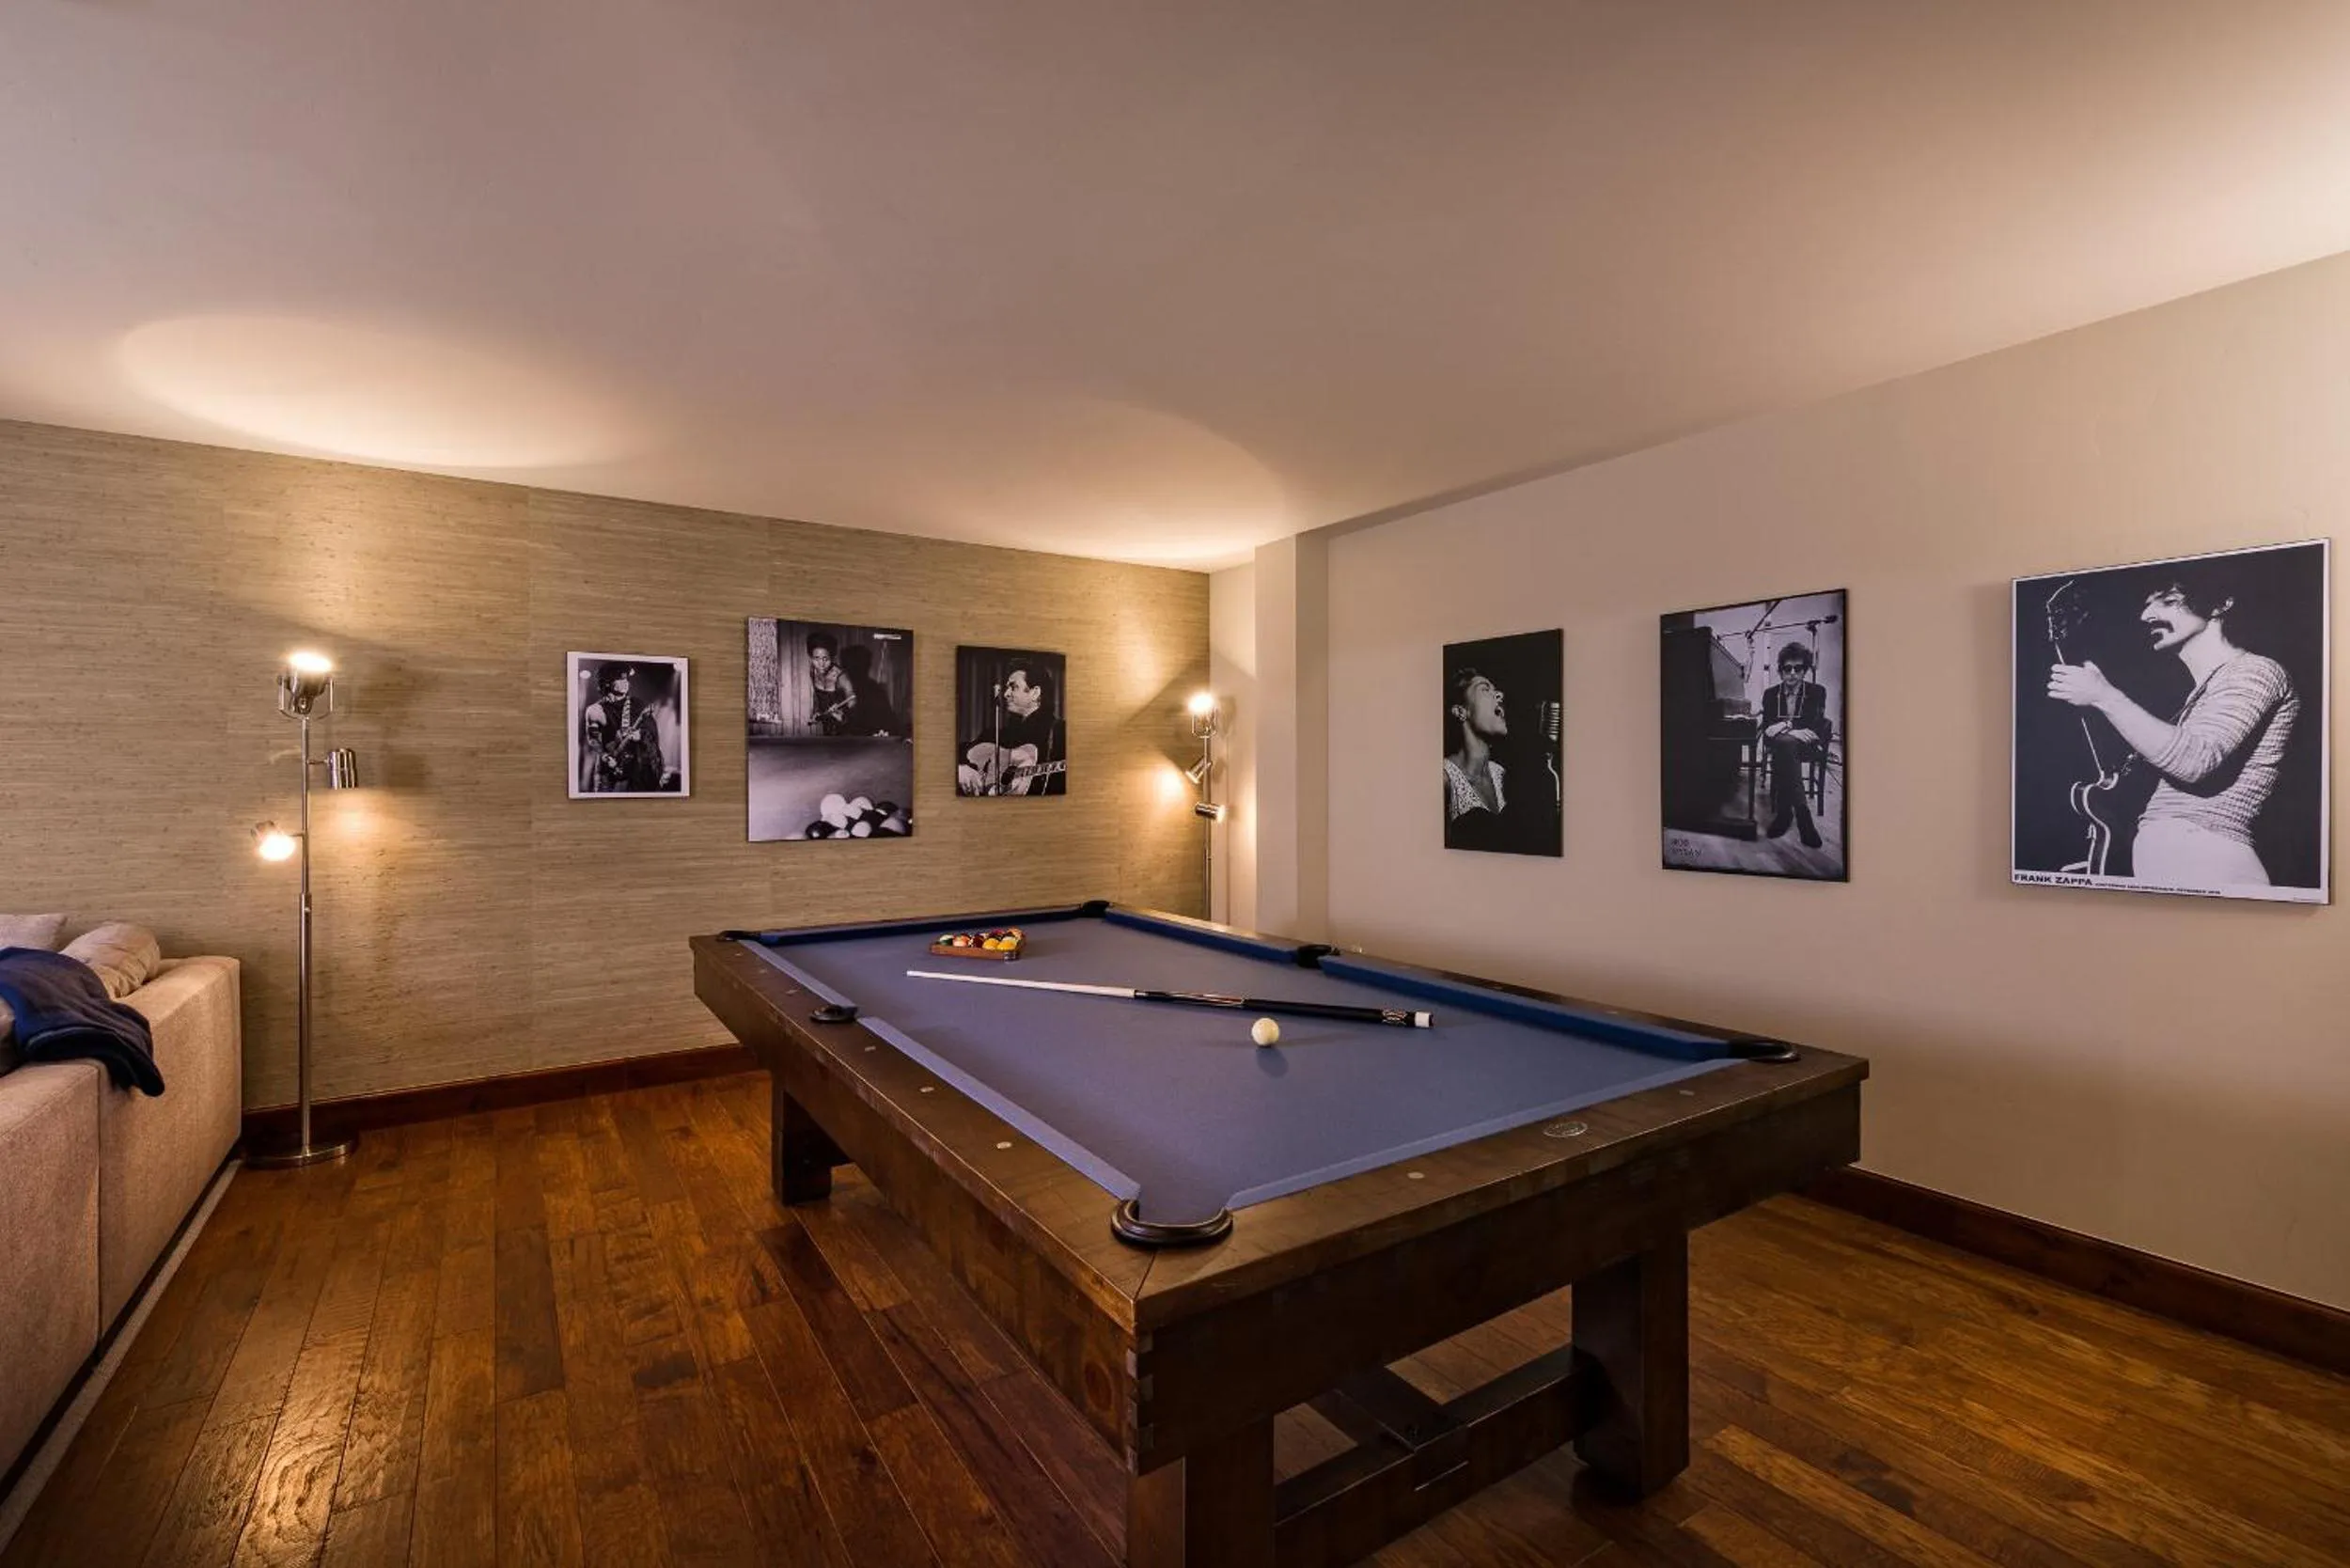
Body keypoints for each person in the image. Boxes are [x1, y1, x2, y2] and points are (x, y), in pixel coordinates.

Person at [2046, 568, 2298, 886]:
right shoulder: (2202, 694)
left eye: (2168, 601)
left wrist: (2104, 696)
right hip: (2190, 857)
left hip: (2209, 854)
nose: (2147, 616)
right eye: (2146, 605)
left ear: (2220, 604)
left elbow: (2195, 762)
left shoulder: (2256, 671)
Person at [1757, 644, 1832, 848]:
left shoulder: (1817, 692)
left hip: (1806, 743)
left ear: (1804, 670)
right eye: (1787, 668)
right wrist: (1792, 729)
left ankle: (1785, 814)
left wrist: (1783, 726)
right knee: (1785, 745)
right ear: (1781, 671)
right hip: (1782, 744)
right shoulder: (1770, 694)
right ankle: (1803, 816)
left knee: (1784, 746)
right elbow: (1767, 728)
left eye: (1797, 668)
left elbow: (1812, 723)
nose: (1792, 673)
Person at [959, 661, 1066, 794]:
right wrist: (961, 769)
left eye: (1013, 687)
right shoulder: (997, 735)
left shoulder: (1060, 732)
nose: (1006, 694)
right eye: (1007, 688)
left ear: (1035, 693)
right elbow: (961, 752)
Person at [579, 665, 674, 792]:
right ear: (607, 683)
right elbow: (593, 739)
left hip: (634, 769)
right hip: (607, 771)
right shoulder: (595, 710)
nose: (626, 683)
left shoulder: (638, 706)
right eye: (620, 679)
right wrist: (605, 756)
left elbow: (652, 732)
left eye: (626, 679)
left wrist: (641, 735)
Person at [1444, 665, 1510, 829]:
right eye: (1485, 689)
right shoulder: (1444, 778)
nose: (1500, 695)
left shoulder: (1502, 776)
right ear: (1461, 712)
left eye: (1496, 691)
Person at [806, 632, 857, 733]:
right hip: (827, 727)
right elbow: (817, 694)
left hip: (846, 728)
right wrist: (816, 711)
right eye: (816, 658)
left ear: (832, 657)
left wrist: (843, 715)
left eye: (826, 659)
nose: (821, 664)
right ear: (811, 657)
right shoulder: (813, 671)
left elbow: (853, 700)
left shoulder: (840, 676)